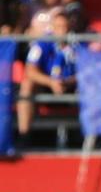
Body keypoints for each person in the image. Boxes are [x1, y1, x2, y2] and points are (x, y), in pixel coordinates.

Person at [16, 10, 76, 148]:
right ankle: (24, 137)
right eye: (58, 27)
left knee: (93, 84)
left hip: (71, 86)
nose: (62, 31)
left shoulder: (78, 43)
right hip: (47, 86)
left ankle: (99, 139)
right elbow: (30, 70)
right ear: (52, 28)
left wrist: (67, 82)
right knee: (27, 84)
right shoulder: (43, 44)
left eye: (65, 27)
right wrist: (51, 82)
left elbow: (86, 71)